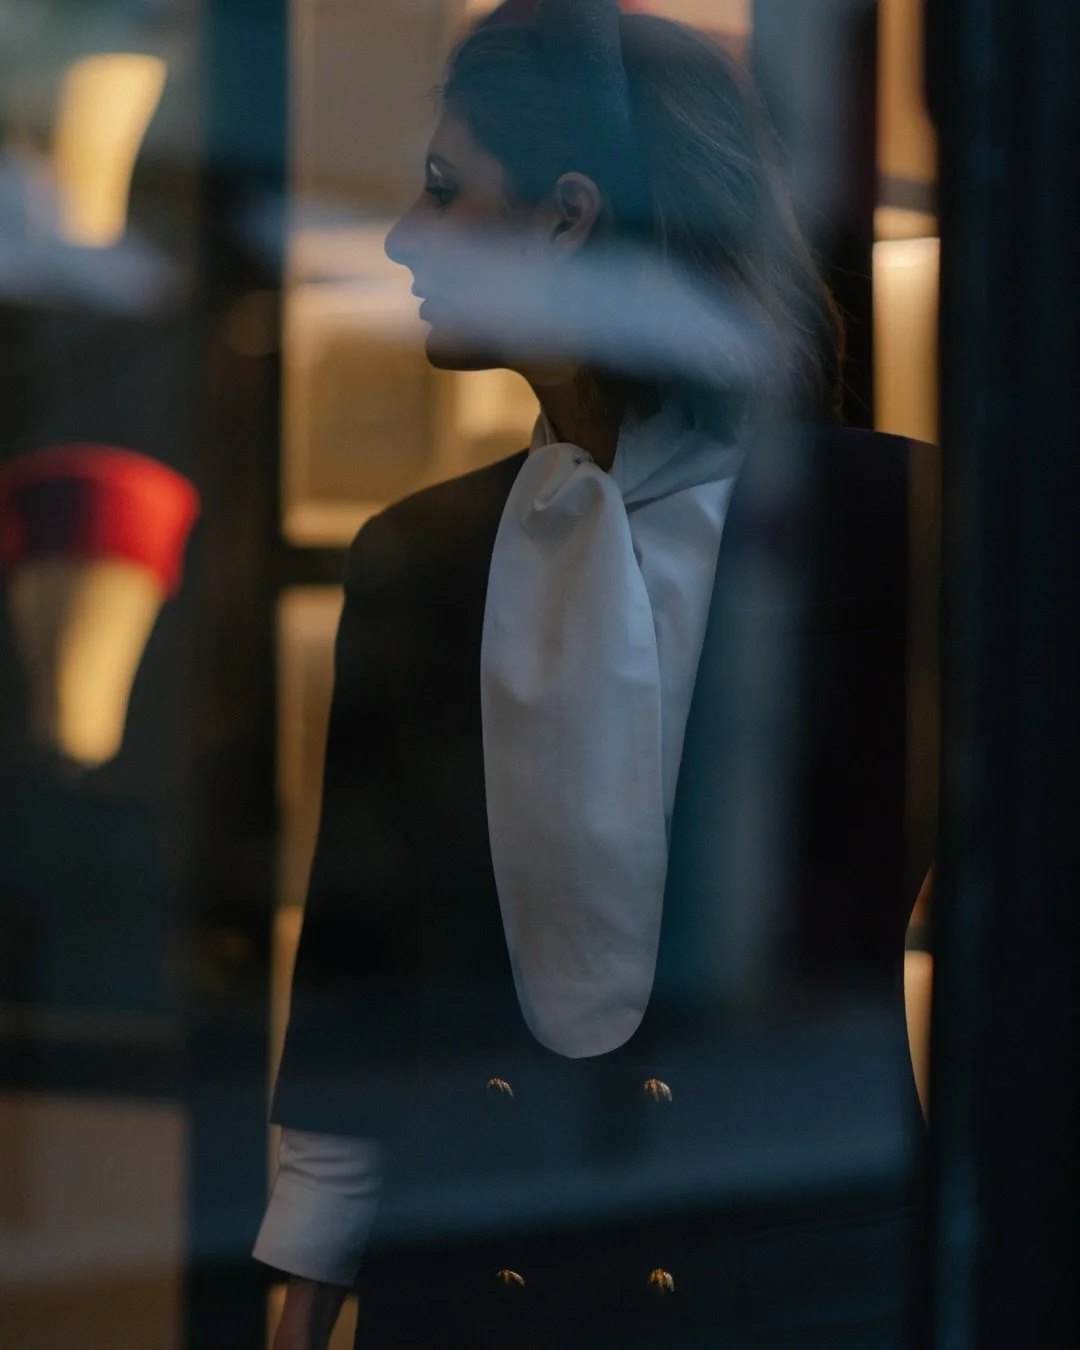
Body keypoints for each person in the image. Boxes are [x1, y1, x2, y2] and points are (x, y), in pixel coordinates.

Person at [256, 3, 928, 1346]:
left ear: (570, 215)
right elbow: (362, 967)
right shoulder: (416, 555)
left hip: (810, 1287)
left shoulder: (898, 529)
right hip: (470, 1291)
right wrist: (303, 1293)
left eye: (447, 191)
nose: (401, 235)